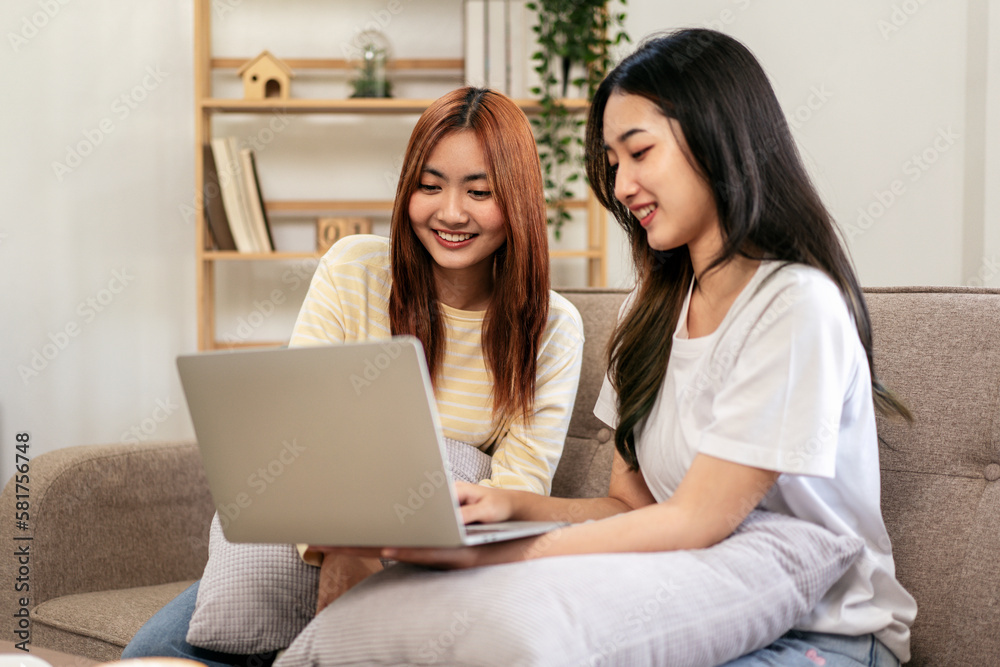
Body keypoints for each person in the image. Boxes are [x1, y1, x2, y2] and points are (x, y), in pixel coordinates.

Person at [333, 30, 918, 666]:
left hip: (821, 636)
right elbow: (627, 507)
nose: (623, 184)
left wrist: (492, 555)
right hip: (689, 613)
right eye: (612, 163)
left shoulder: (795, 305)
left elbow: (696, 521)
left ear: (717, 138)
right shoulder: (651, 307)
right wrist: (511, 506)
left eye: (639, 153)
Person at [121, 86, 585, 666]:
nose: (450, 212)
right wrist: (337, 548)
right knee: (144, 657)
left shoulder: (551, 328)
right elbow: (297, 429)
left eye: (480, 191)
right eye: (430, 185)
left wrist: (377, 549)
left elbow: (515, 495)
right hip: (299, 542)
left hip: (426, 566)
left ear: (515, 197)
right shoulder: (354, 268)